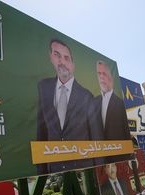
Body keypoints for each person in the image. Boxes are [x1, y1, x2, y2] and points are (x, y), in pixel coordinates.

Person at [36, 38, 95, 174]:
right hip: (54, 169)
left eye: (66, 58)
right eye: (57, 55)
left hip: (83, 168)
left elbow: (94, 139)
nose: (62, 61)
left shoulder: (87, 96)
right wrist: (42, 172)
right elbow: (42, 132)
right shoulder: (43, 87)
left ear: (73, 65)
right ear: (51, 57)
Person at [90, 60, 132, 163]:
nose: (101, 77)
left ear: (111, 77)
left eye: (104, 73)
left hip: (120, 160)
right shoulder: (93, 102)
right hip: (99, 161)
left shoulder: (121, 104)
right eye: (99, 73)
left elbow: (127, 134)